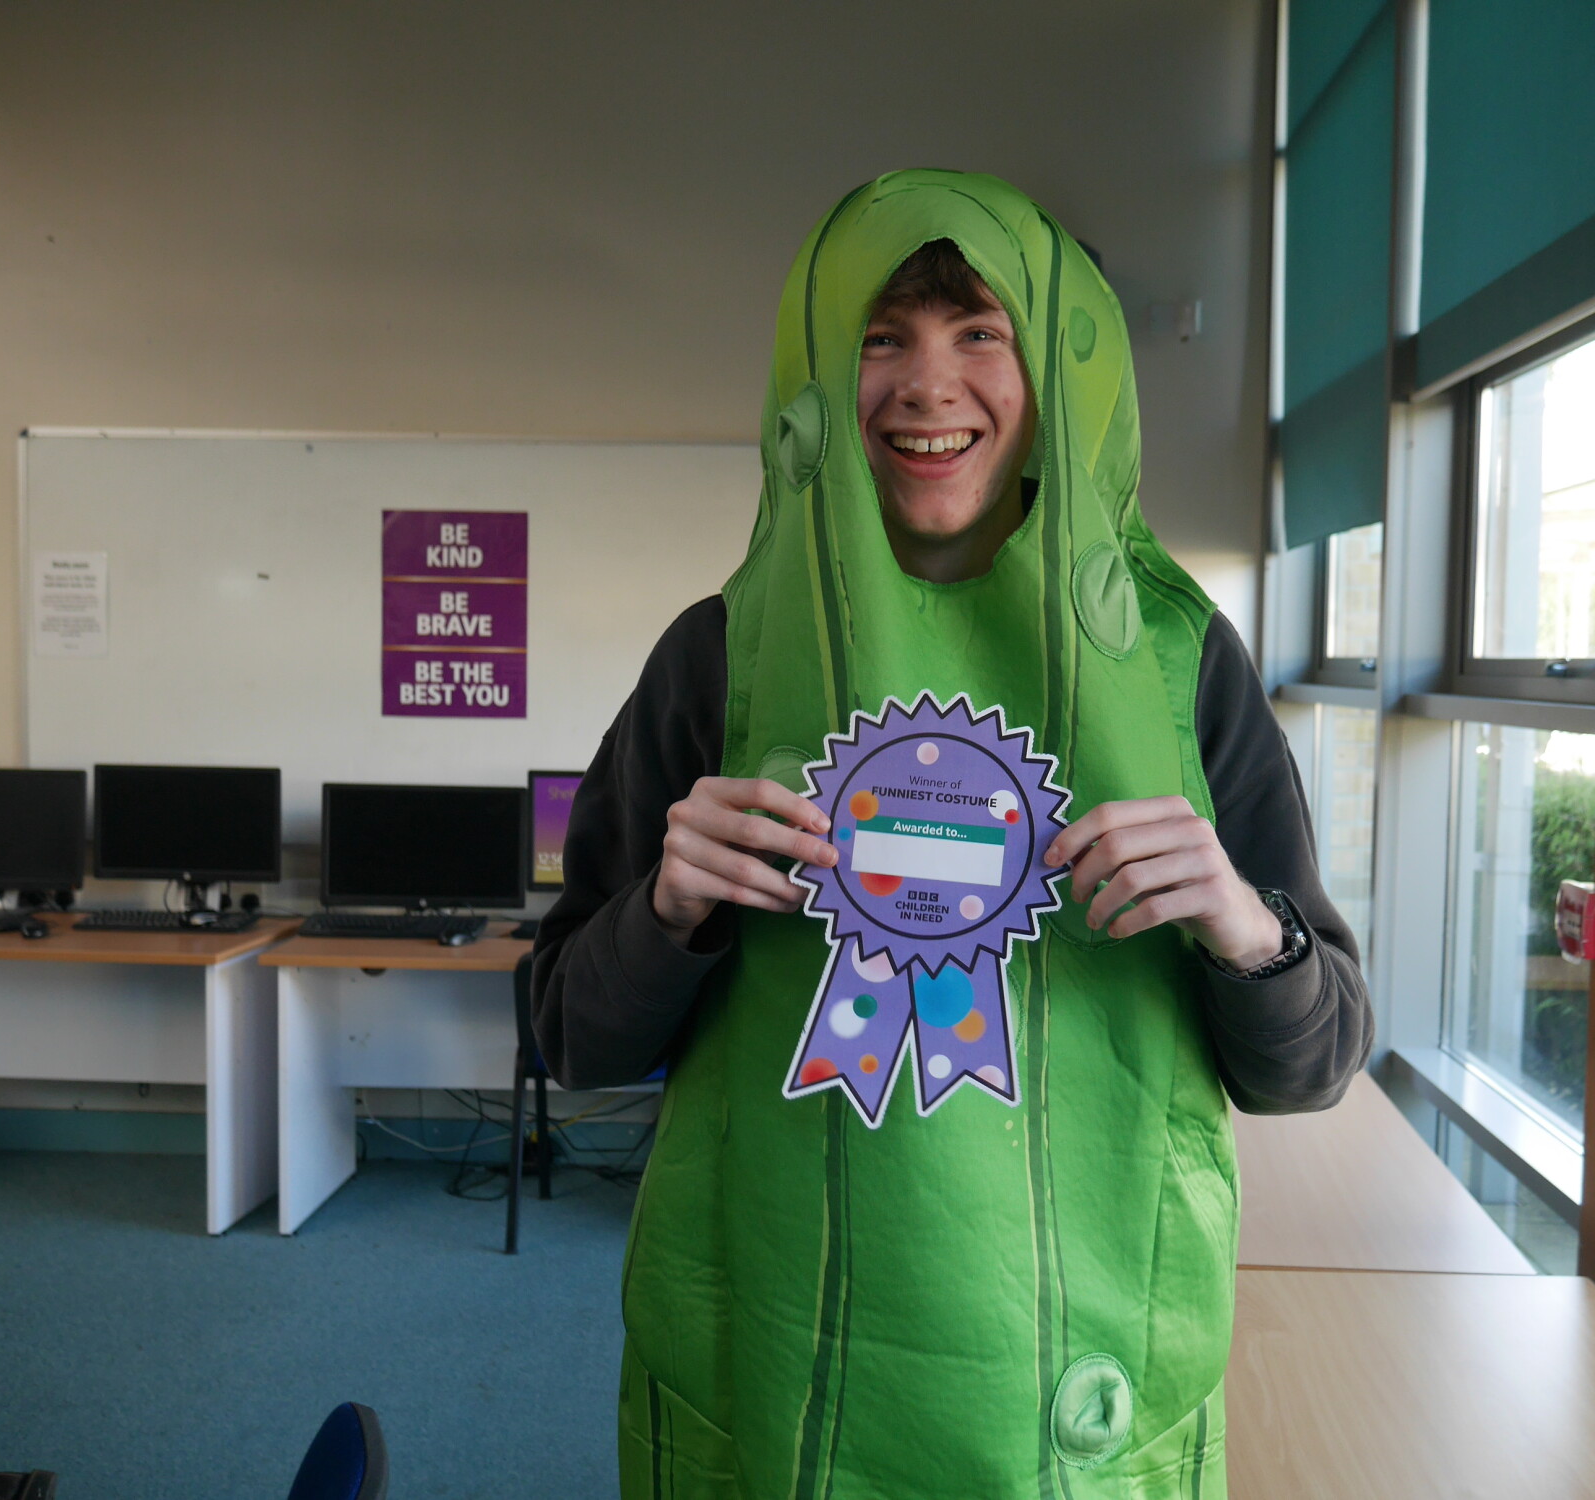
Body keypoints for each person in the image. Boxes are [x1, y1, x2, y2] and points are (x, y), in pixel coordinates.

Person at [532, 170, 1370, 1500]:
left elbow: (1311, 1066)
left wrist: (1242, 925)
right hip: (776, 1355)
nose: (929, 385)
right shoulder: (720, 657)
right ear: (816, 377)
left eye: (983, 332)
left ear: (1061, 376)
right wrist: (664, 913)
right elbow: (568, 1039)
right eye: (881, 337)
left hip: (1083, 1372)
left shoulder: (1178, 663)